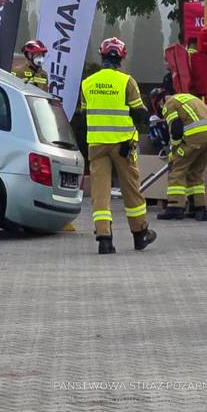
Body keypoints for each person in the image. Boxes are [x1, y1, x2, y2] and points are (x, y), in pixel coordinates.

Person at [81, 38, 157, 254]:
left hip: (96, 145)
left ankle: (104, 238)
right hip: (123, 145)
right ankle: (140, 234)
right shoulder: (127, 82)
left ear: (102, 56)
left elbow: (86, 113)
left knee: (100, 192)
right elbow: (140, 114)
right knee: (131, 189)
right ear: (121, 57)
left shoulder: (88, 83)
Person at [149, 88, 207, 221]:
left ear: (160, 102)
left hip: (195, 137)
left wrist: (173, 152)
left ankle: (175, 208)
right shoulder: (186, 97)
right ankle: (198, 209)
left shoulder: (169, 104)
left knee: (176, 170)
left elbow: (176, 130)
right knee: (195, 172)